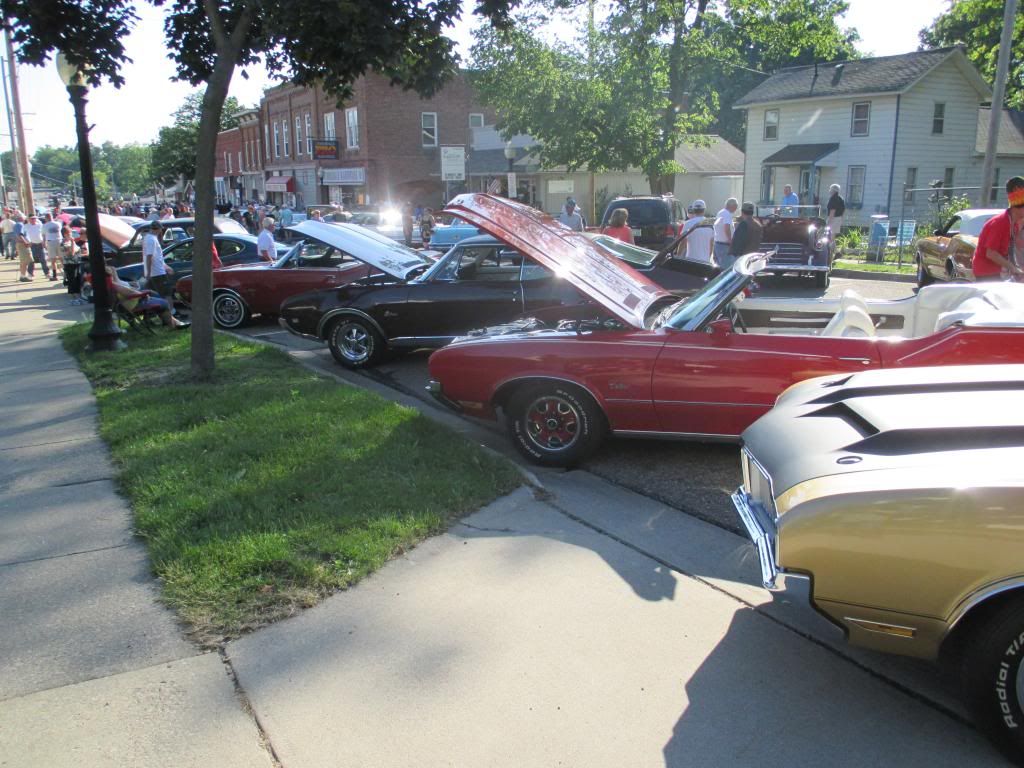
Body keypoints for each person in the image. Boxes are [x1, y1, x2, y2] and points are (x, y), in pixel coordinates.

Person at [105, 262, 190, 329]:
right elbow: (131, 293)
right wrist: (142, 295)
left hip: (129, 303)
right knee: (164, 303)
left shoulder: (110, 284)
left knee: (154, 296)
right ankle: (172, 325)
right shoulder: (115, 285)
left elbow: (129, 292)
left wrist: (141, 293)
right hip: (133, 305)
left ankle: (174, 322)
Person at [973, 176, 1024, 282]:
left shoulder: (1014, 224)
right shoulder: (1000, 222)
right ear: (1018, 207)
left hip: (999, 272)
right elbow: (991, 253)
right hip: (986, 272)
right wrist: (1012, 267)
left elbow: (1018, 246)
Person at [726, 202, 763, 269]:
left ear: (742, 212)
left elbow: (738, 242)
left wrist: (732, 253)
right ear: (752, 212)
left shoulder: (744, 224)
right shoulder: (758, 225)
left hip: (742, 258)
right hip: (753, 256)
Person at [143, 221, 173, 297]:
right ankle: (169, 305)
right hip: (157, 272)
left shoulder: (149, 238)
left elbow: (157, 256)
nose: (160, 231)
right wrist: (148, 273)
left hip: (156, 271)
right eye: (160, 229)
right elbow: (149, 257)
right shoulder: (151, 240)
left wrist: (166, 267)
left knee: (154, 294)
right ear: (157, 229)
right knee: (166, 294)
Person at [682, 200, 714, 264]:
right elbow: (711, 244)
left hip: (690, 259)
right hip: (705, 261)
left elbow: (683, 243)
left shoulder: (687, 224)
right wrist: (708, 257)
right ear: (704, 210)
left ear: (693, 210)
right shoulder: (711, 224)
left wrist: (678, 255)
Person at [713, 198, 738, 265]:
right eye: (736, 207)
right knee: (726, 267)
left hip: (718, 244)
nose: (736, 209)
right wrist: (730, 242)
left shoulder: (721, 212)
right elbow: (726, 228)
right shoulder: (727, 214)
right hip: (724, 245)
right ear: (732, 206)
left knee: (719, 266)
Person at [23, 213, 47, 278]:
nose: (33, 220)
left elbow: (43, 234)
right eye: (32, 219)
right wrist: (28, 242)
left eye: (34, 218)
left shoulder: (40, 225)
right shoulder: (26, 226)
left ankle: (46, 273)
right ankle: (30, 274)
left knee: (43, 259)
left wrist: (44, 242)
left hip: (40, 244)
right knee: (31, 260)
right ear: (29, 219)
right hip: (32, 245)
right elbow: (24, 235)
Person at [42, 212, 63, 281]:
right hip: (59, 241)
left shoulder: (45, 226)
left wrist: (44, 243)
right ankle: (66, 273)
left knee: (53, 260)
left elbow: (44, 235)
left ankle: (55, 276)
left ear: (46, 218)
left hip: (51, 242)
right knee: (62, 258)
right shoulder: (58, 223)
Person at [14, 213, 33, 281]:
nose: (25, 218)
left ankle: (23, 275)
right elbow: (20, 235)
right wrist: (26, 242)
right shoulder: (19, 224)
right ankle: (23, 276)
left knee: (24, 261)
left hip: (21, 244)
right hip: (22, 244)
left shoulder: (18, 224)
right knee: (28, 260)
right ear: (21, 218)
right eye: (24, 217)